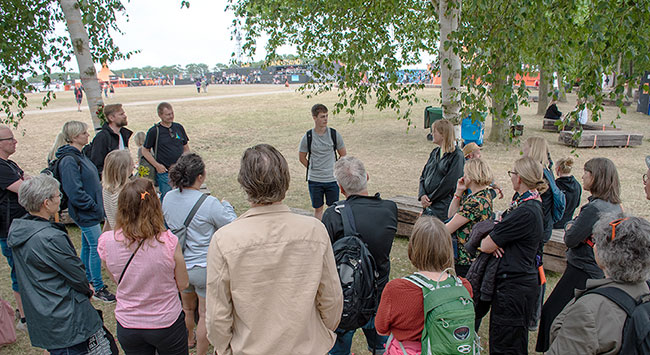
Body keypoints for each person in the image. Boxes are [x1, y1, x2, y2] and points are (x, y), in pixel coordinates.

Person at [206, 144, 343, 355]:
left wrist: (223, 348)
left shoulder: (225, 239)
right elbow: (332, 300)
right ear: (285, 180)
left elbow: (217, 315)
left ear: (244, 183)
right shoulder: (314, 231)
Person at [8, 174, 116, 354]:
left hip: (44, 311)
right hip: (65, 317)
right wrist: (88, 290)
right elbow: (76, 273)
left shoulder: (21, 230)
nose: (61, 198)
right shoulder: (49, 237)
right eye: (57, 195)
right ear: (46, 202)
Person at [536, 157, 623, 352]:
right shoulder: (615, 206)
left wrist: (571, 226)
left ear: (597, 177)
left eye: (587, 172)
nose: (582, 175)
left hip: (581, 268)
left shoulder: (594, 209)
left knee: (551, 311)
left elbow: (571, 238)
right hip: (596, 268)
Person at [98, 178, 189, 355]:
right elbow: (183, 283)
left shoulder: (107, 241)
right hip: (166, 321)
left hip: (129, 322)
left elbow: (114, 275)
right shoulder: (167, 242)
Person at [321, 156, 397, 355]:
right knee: (381, 347)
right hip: (378, 295)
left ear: (341, 188)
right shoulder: (390, 209)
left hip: (346, 298)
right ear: (367, 177)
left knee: (339, 349)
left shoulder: (333, 215)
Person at [163, 153, 236, 354]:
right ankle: (202, 352)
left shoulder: (168, 198)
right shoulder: (209, 203)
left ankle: (189, 339)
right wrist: (227, 205)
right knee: (204, 315)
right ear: (200, 177)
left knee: (187, 309)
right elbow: (230, 224)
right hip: (204, 267)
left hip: (180, 265)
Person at [547, 214, 650, 354]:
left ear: (606, 254)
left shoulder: (588, 310)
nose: (594, 245)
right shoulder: (646, 292)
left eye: (596, 242)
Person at [375, 216, 473, 354]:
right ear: (448, 247)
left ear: (413, 247)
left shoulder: (397, 290)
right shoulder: (463, 287)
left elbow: (381, 328)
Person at [479, 157, 545, 354]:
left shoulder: (526, 211)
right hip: (517, 284)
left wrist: (494, 240)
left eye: (513, 173)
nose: (511, 178)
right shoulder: (528, 204)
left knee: (506, 344)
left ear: (521, 178)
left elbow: (486, 244)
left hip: (514, 288)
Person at [49, 120, 115, 303]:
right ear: (75, 137)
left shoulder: (80, 155)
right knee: (96, 247)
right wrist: (93, 206)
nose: (88, 135)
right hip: (85, 212)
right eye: (84, 133)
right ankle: (98, 287)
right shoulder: (69, 160)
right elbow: (74, 191)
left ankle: (85, 280)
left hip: (89, 210)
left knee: (88, 246)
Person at [445, 158, 494, 277]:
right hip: (470, 256)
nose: (463, 177)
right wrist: (458, 192)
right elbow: (451, 215)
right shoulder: (483, 195)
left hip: (465, 259)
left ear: (471, 176)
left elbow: (448, 228)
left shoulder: (475, 202)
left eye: (465, 174)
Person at [0, 125, 28, 331]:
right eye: (10, 139)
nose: (15, 141)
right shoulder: (0, 168)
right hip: (10, 230)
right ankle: (25, 317)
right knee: (19, 272)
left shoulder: (9, 164)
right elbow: (24, 188)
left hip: (19, 226)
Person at [298, 104, 347, 220]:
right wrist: (312, 168)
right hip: (315, 180)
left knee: (333, 208)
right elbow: (302, 157)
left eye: (326, 116)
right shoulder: (308, 136)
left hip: (332, 179)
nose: (325, 119)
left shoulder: (334, 134)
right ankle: (319, 232)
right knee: (318, 209)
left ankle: (332, 232)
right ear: (314, 118)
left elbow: (343, 154)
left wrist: (335, 168)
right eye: (322, 116)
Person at [141, 102, 190, 201]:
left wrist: (185, 163)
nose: (171, 116)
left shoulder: (178, 127)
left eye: (172, 113)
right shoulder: (154, 131)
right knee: (167, 198)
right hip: (165, 172)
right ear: (160, 115)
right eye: (168, 114)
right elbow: (145, 151)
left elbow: (186, 147)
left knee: (184, 197)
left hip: (181, 171)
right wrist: (157, 165)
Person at [418, 119, 464, 221]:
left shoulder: (457, 156)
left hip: (442, 207)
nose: (432, 134)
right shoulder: (435, 152)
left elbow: (450, 183)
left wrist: (430, 198)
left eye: (434, 131)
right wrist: (422, 194)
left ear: (443, 134)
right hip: (428, 205)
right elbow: (423, 175)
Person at [89, 103, 132, 178]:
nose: (125, 116)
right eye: (121, 114)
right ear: (111, 118)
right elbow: (97, 164)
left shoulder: (123, 134)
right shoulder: (102, 137)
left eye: (124, 113)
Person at [102, 150, 133, 231]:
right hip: (127, 235)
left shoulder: (106, 189)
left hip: (115, 231)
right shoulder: (126, 193)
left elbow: (108, 219)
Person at [553, 157, 582, 229]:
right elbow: (577, 204)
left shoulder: (555, 186)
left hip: (554, 224)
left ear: (558, 168)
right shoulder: (577, 185)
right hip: (567, 223)